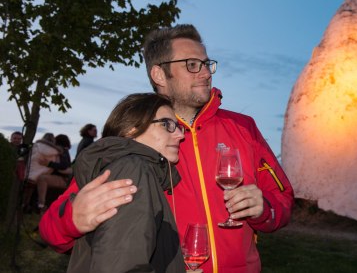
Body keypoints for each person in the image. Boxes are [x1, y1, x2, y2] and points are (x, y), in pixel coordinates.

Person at [40, 25, 294, 272]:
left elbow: (282, 198)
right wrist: (72, 220)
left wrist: (264, 209)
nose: (206, 73)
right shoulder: (140, 139)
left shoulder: (243, 127)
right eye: (192, 65)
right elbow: (54, 228)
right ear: (159, 75)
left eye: (207, 64)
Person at [67, 93, 185, 273]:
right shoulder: (132, 170)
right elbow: (119, 266)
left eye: (177, 126)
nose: (180, 135)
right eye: (167, 124)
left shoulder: (132, 170)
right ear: (132, 129)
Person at [22, 133, 63, 211]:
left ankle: (24, 205)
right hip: (40, 176)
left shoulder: (36, 146)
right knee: (33, 192)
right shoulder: (56, 152)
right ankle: (30, 206)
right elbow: (54, 166)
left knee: (25, 191)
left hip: (29, 173)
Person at [35, 134, 73, 212]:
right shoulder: (63, 152)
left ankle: (41, 204)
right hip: (63, 178)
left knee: (42, 179)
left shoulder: (62, 151)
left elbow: (64, 166)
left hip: (63, 179)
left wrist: (49, 164)